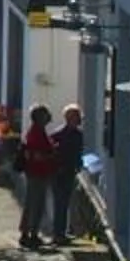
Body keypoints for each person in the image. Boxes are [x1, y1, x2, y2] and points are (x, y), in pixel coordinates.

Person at [16, 106, 62, 249]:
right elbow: (35, 155)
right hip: (37, 173)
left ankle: (29, 233)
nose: (49, 116)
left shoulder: (38, 131)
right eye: (46, 114)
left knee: (34, 203)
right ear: (40, 117)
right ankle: (30, 234)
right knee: (35, 203)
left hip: (38, 172)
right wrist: (52, 154)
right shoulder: (36, 132)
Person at [53, 102, 90, 245]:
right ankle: (58, 234)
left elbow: (78, 153)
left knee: (66, 203)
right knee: (60, 204)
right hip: (60, 173)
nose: (80, 119)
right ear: (69, 118)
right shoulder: (60, 135)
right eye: (77, 116)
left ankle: (64, 232)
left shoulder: (77, 135)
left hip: (70, 172)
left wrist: (79, 165)